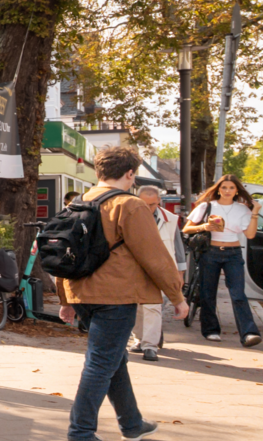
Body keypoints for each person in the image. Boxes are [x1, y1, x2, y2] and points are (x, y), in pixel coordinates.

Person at [56, 145, 187, 441]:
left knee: (114, 360)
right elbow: (154, 256)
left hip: (82, 293)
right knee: (101, 363)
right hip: (116, 296)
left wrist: (66, 300)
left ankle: (131, 422)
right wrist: (177, 297)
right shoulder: (130, 205)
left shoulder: (78, 202)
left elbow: (65, 253)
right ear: (130, 173)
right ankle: (81, 432)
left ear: (98, 170)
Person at [183, 174, 263, 347]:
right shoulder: (207, 206)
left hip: (233, 253)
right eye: (224, 187)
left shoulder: (242, 209)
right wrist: (204, 226)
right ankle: (211, 330)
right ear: (218, 189)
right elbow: (186, 228)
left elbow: (250, 234)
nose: (227, 191)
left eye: (231, 188)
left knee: (238, 294)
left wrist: (255, 211)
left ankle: (249, 333)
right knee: (207, 293)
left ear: (237, 191)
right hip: (210, 252)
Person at [128, 185, 183, 361]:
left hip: (161, 269)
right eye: (144, 204)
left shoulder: (171, 219)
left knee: (153, 306)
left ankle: (150, 346)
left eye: (152, 204)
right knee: (137, 306)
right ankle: (139, 339)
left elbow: (178, 247)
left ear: (159, 201)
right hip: (136, 268)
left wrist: (180, 274)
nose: (148, 208)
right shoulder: (130, 217)